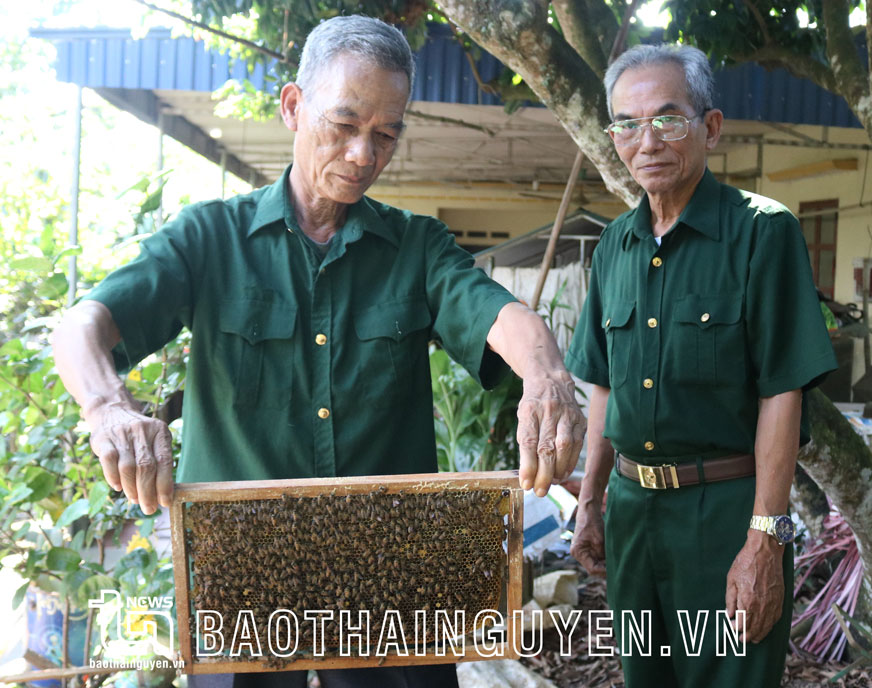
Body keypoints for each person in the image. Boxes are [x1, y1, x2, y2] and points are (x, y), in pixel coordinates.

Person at [51, 15, 585, 688]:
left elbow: (500, 315)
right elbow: (81, 327)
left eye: (386, 133)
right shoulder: (209, 239)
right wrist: (106, 408)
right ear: (293, 106)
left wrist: (547, 376)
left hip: (392, 576)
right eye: (345, 124)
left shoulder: (415, 247)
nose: (365, 153)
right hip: (242, 575)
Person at [566, 44, 837, 688]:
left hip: (723, 521)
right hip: (634, 519)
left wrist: (764, 538)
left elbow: (783, 392)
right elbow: (604, 385)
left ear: (709, 127)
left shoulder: (761, 233)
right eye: (628, 124)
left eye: (668, 118)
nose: (647, 140)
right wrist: (590, 498)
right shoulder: (613, 247)